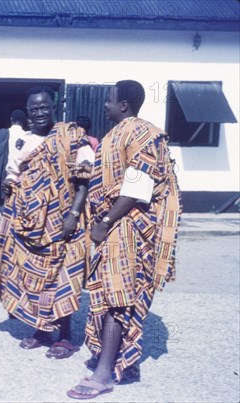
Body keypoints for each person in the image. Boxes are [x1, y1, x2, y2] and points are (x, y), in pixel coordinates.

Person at [67, 80, 182, 399]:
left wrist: (105, 221)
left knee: (117, 298)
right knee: (108, 294)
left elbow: (137, 187)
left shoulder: (142, 133)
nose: (104, 105)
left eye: (108, 101)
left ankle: (103, 375)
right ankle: (120, 360)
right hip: (115, 224)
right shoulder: (115, 134)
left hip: (127, 226)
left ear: (124, 105)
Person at [0, 86, 94, 359]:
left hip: (64, 222)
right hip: (28, 223)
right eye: (34, 109)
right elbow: (14, 173)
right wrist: (11, 189)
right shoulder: (25, 140)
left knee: (62, 279)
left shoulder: (71, 137)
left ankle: (65, 336)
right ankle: (42, 330)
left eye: (44, 107)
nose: (40, 112)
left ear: (53, 107)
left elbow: (84, 180)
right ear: (28, 111)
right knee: (31, 277)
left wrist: (73, 215)